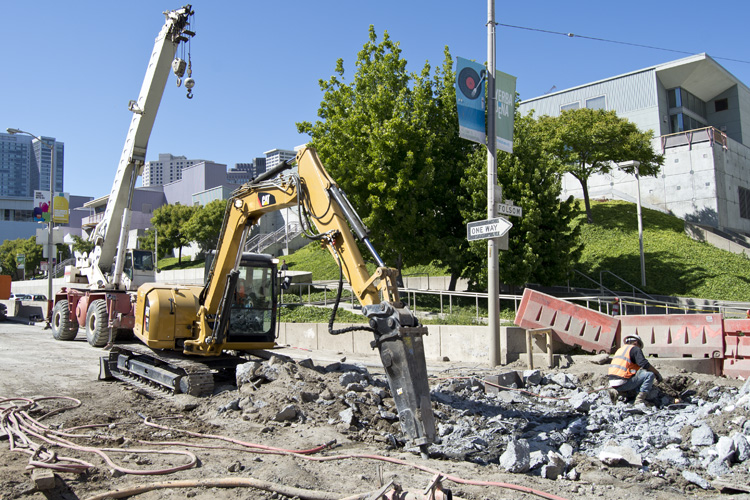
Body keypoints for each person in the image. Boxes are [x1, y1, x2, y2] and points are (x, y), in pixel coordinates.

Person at [608, 334, 663, 405]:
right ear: (636, 343)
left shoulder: (620, 350)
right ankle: (639, 400)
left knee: (639, 373)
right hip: (623, 383)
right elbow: (644, 364)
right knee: (649, 375)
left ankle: (625, 394)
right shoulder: (635, 349)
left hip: (612, 383)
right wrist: (657, 373)